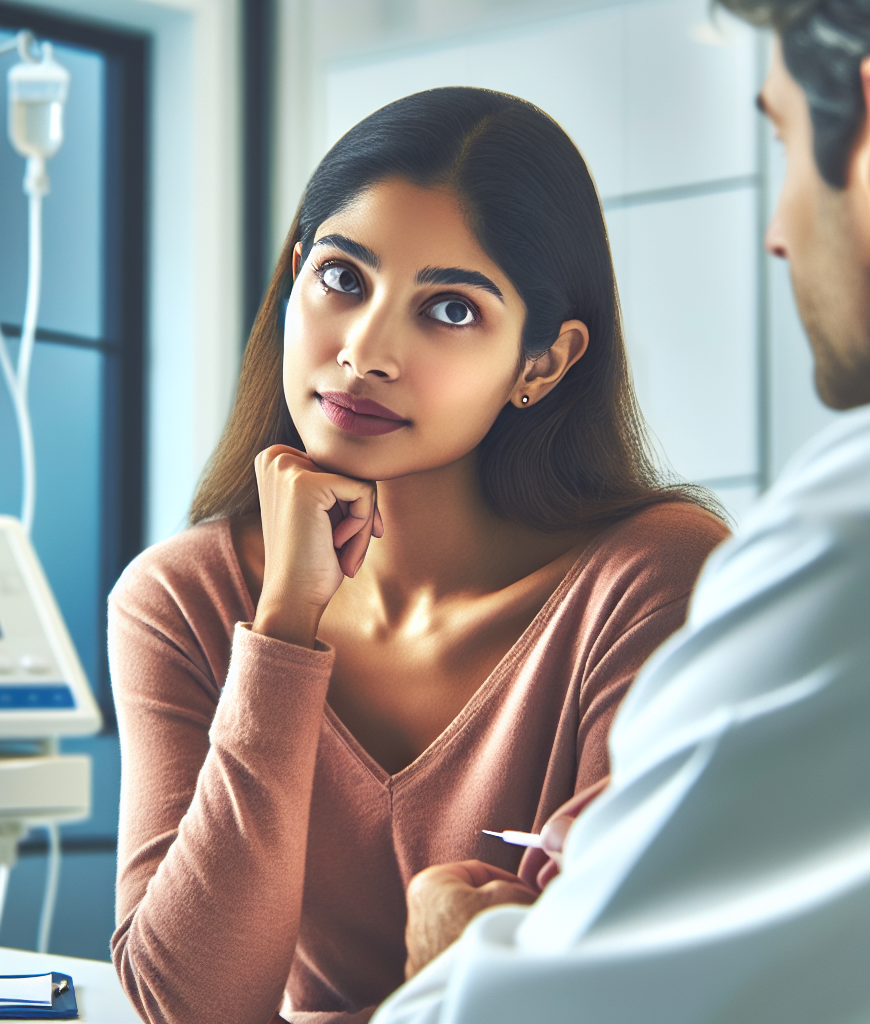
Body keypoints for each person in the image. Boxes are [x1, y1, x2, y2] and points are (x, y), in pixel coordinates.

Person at [108, 87, 728, 1024]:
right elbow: (188, 1008)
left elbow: (621, 988)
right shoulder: (182, 598)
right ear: (294, 277)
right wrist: (280, 630)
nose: (365, 352)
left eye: (448, 308)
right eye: (344, 280)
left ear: (543, 364)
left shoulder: (650, 581)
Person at [373, 3, 870, 1022]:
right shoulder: (188, 586)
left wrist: (458, 956)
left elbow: (568, 999)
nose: (776, 236)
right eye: (340, 276)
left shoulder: (773, 545)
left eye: (779, 139)